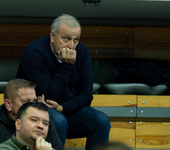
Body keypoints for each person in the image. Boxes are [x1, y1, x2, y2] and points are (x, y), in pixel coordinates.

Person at [16, 14, 111, 150]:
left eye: (76, 40)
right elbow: (48, 96)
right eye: (66, 39)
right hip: (39, 110)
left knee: (101, 121)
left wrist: (62, 108)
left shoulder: (82, 52)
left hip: (66, 109)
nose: (71, 46)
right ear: (52, 36)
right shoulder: (35, 52)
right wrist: (67, 66)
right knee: (57, 120)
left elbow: (86, 95)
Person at [0, 79, 63, 150]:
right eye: (26, 102)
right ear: (8, 104)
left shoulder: (42, 122)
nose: (32, 106)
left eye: (34, 101)